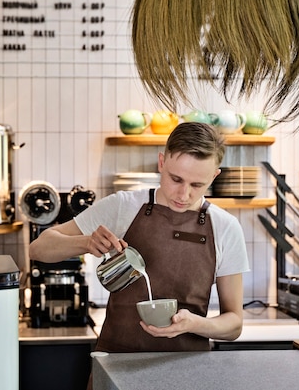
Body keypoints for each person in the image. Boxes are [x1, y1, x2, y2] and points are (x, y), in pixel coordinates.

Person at [29, 122, 249, 354]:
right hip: (118, 364)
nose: (184, 194)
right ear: (161, 162)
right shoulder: (123, 206)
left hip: (187, 371)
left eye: (197, 185)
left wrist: (195, 324)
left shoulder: (225, 227)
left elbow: (234, 324)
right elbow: (39, 248)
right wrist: (85, 242)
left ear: (214, 176)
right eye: (176, 179)